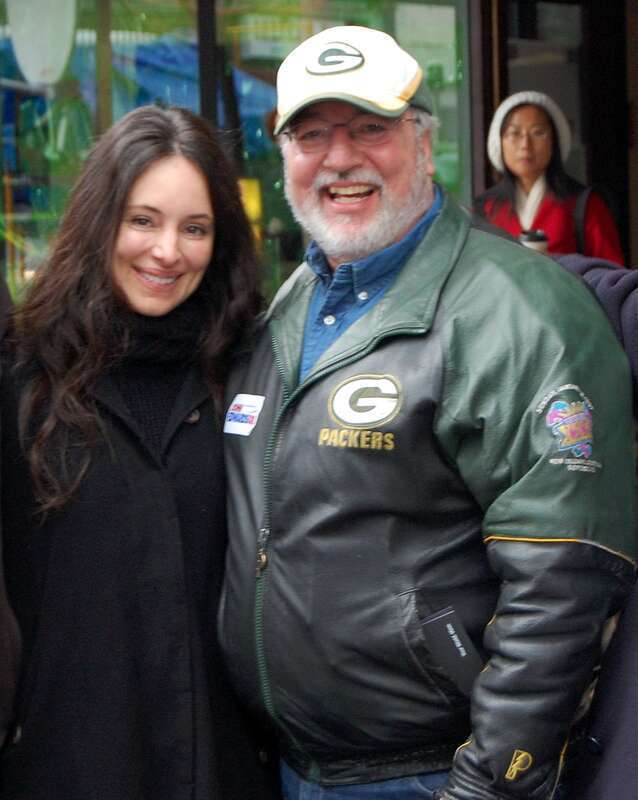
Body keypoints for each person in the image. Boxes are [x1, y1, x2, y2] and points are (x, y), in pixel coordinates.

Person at [218, 25, 637, 800]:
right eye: (311, 135)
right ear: (284, 160)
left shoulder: (519, 309)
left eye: (369, 129)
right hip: (292, 766)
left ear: (423, 140)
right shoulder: (294, 301)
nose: (339, 158)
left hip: (433, 776)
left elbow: (564, 582)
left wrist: (491, 784)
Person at [0, 105, 278, 800]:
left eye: (195, 228)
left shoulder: (251, 373)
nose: (167, 251)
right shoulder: (23, 379)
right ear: (100, 222)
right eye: (143, 220)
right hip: (66, 768)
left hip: (228, 771)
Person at [475, 91, 625, 263]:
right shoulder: (484, 209)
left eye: (538, 133)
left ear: (555, 141)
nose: (525, 145)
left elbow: (613, 278)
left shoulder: (585, 205)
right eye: (514, 133)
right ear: (499, 142)